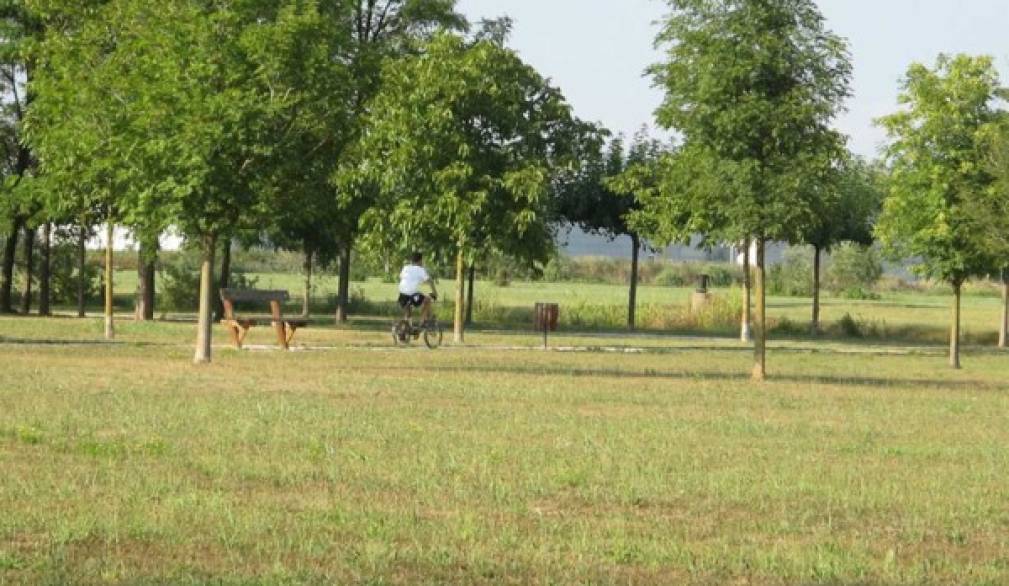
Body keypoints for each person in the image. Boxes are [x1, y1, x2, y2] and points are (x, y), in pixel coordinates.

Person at [398, 252, 438, 324]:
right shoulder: (420, 270)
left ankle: (406, 326)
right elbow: (430, 281)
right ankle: (422, 322)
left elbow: (402, 278)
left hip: (402, 295)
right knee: (427, 300)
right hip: (411, 295)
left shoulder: (405, 268)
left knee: (408, 310)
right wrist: (435, 293)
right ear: (420, 261)